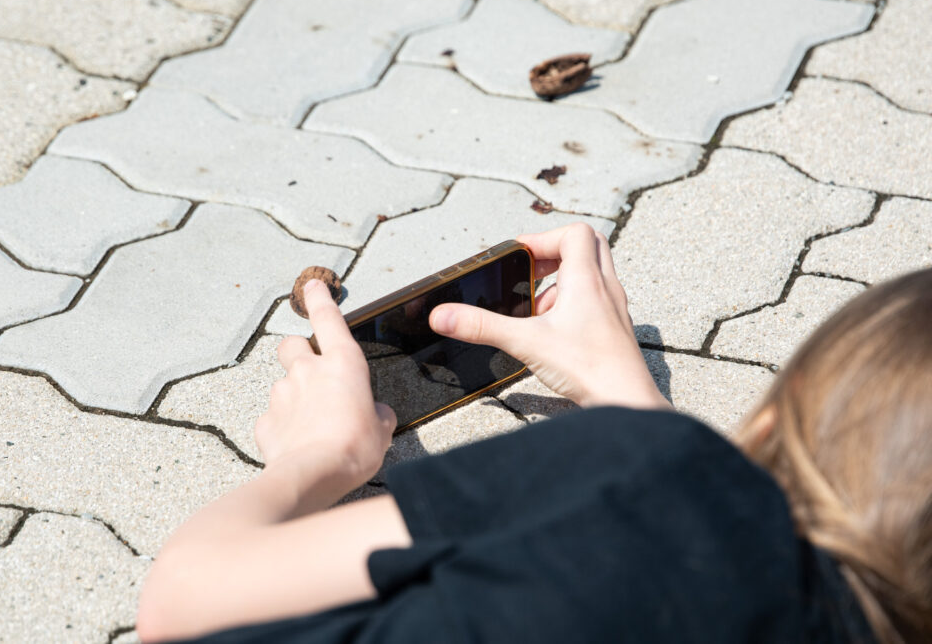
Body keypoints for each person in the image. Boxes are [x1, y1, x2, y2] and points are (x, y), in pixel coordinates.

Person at [135, 223, 932, 644]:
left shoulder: (648, 472)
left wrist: (321, 454)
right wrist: (627, 398)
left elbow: (180, 607)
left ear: (773, 414)